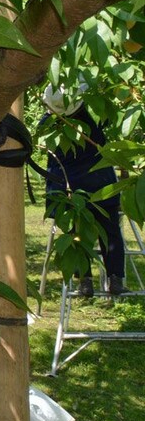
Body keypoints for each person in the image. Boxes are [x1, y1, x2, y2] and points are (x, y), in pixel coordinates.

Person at [42, 84, 127, 297]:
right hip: (100, 186)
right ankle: (115, 278)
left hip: (67, 191)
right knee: (110, 231)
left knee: (74, 234)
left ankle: (85, 281)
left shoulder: (48, 124)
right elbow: (108, 123)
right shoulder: (90, 120)